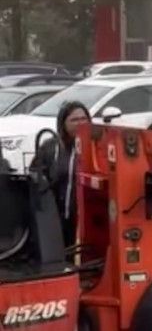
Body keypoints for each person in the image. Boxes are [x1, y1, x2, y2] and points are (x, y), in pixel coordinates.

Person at [30, 101, 90, 251]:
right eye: (74, 120)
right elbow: (35, 175)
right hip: (56, 217)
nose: (80, 123)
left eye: (83, 119)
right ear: (63, 124)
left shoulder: (96, 146)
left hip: (85, 218)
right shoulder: (51, 147)